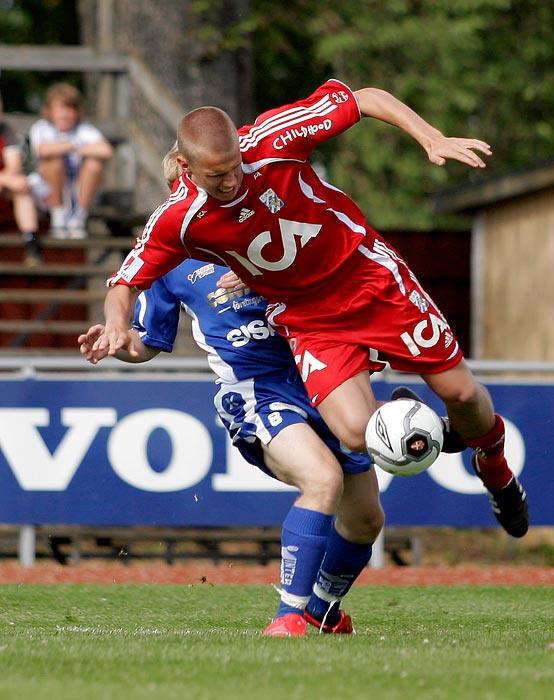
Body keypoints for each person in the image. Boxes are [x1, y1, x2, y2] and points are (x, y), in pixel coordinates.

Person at [95, 79, 529, 542]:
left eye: (235, 167)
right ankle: (415, 422)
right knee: (358, 434)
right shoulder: (177, 219)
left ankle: (494, 463)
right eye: (217, 175)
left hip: (366, 278)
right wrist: (116, 324)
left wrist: (430, 137)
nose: (232, 181)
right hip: (307, 315)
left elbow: (365, 99)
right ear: (186, 167)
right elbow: (124, 282)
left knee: (461, 394)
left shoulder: (272, 140)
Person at [79, 148, 384, 637]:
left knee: (366, 519)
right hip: (257, 390)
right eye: (190, 188)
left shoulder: (272, 223)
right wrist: (117, 343)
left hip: (323, 374)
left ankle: (322, 607)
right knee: (322, 481)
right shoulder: (170, 256)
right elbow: (149, 342)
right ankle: (287, 618)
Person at [29, 82, 113, 239]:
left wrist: (73, 147)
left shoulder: (84, 129)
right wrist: (74, 145)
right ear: (50, 111)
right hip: (46, 194)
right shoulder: (41, 128)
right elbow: (42, 150)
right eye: (59, 108)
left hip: (79, 190)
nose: (64, 114)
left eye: (69, 109)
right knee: (53, 161)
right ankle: (58, 216)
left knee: (94, 163)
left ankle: (78, 218)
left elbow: (106, 150)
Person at [0, 92, 41, 265]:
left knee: (22, 188)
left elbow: (14, 167)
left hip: (4, 191)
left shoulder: (5, 131)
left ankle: (31, 242)